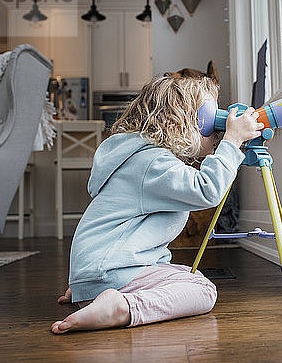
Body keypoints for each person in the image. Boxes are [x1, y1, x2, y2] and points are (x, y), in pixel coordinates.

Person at [51, 74, 263, 334]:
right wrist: (231, 141)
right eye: (209, 118)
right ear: (180, 121)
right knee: (202, 289)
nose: (215, 130)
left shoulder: (137, 158)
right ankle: (123, 306)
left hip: (99, 269)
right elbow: (207, 189)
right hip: (111, 271)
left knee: (185, 274)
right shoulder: (152, 163)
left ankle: (92, 291)